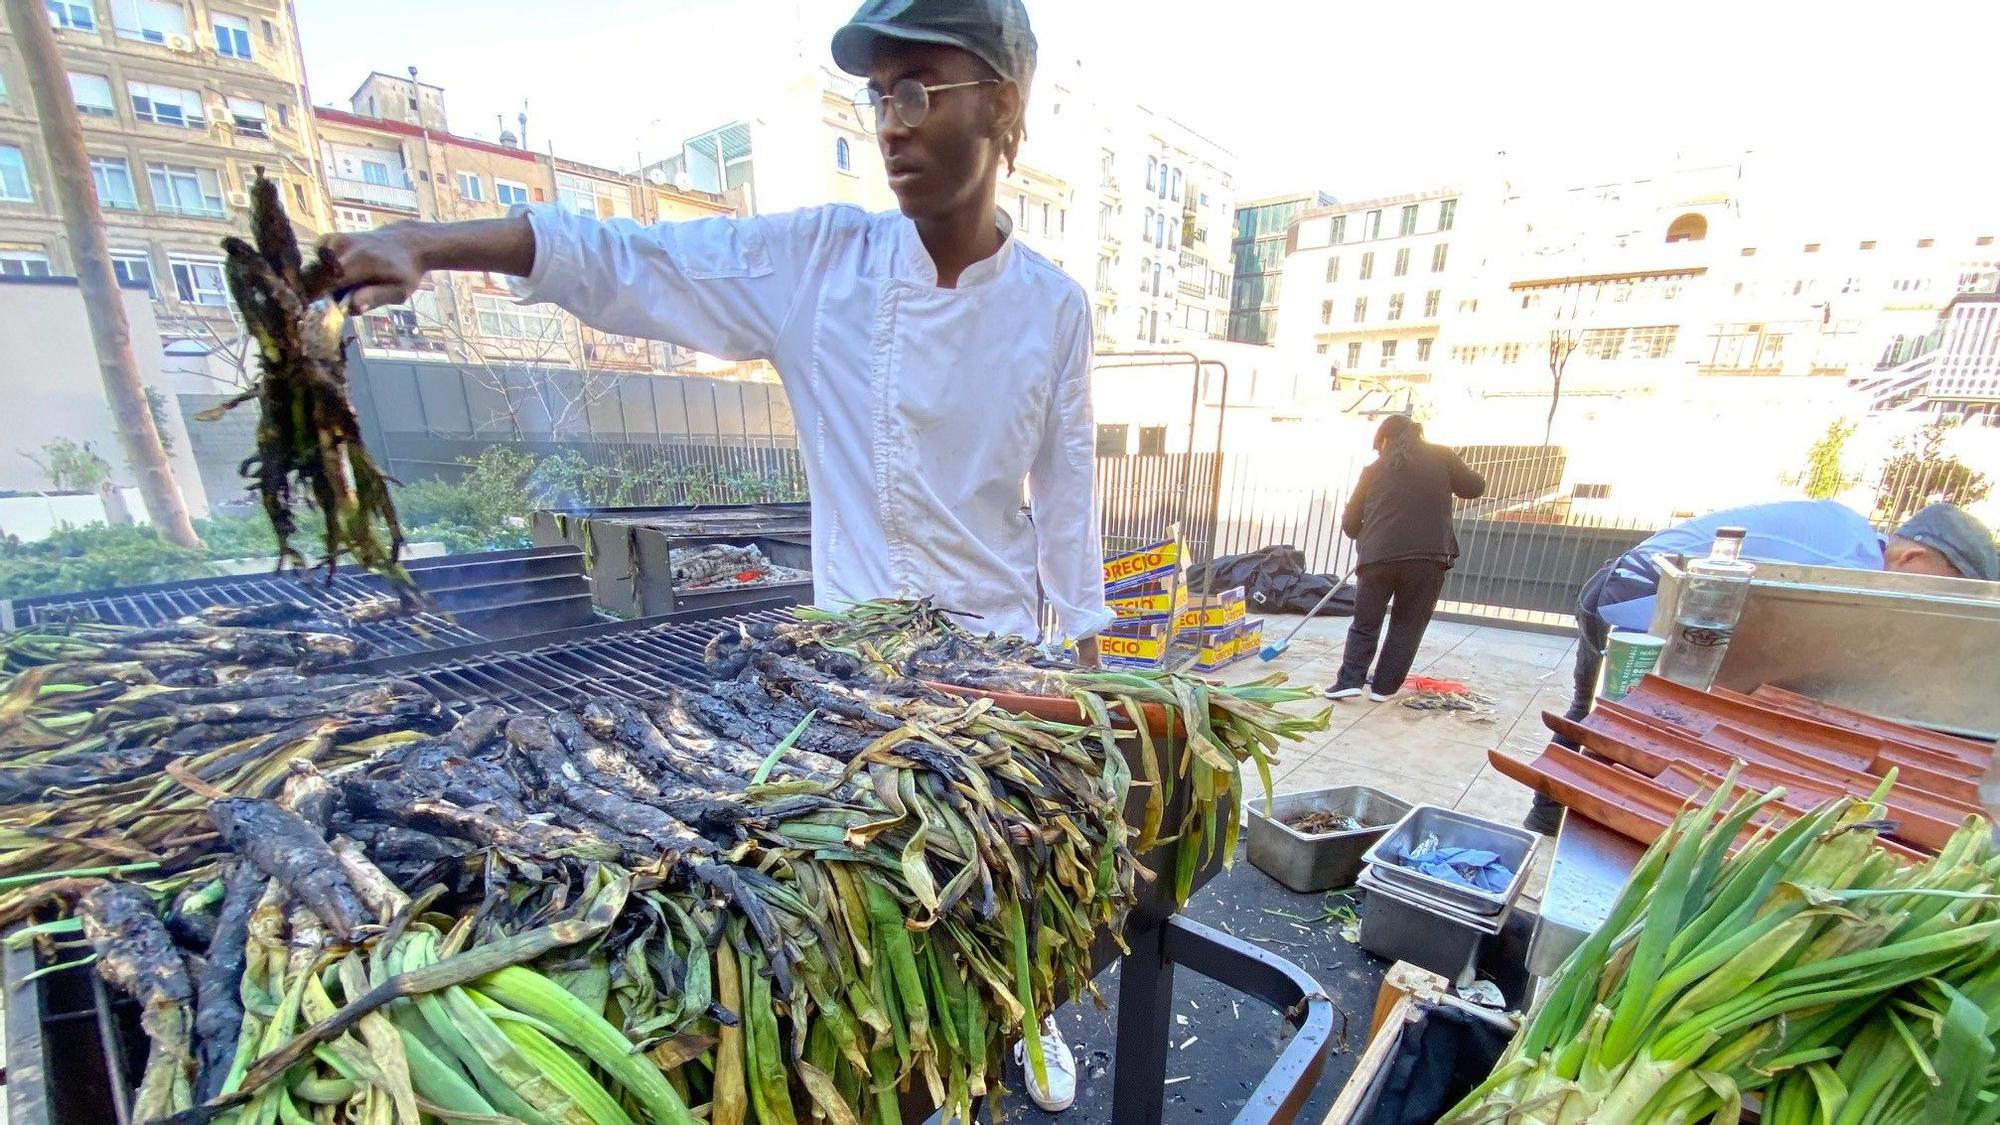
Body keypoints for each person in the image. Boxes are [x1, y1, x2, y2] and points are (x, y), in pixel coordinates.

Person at [323, 0, 1097, 1110]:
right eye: (878, 95)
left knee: (1014, 857)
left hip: (997, 657)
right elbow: (634, 259)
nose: (892, 122)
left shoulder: (1051, 306)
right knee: (895, 881)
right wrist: (432, 246)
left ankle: (1037, 1012)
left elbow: (1066, 488)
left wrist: (1079, 649)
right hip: (858, 674)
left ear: (1005, 104)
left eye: (921, 86)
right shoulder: (820, 263)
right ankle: (941, 1044)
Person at [1522, 499, 1999, 834]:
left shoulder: (1848, 533)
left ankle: (1548, 812)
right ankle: (1587, 810)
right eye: (1949, 586)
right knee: (1639, 717)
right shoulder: (1853, 563)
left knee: (1595, 708)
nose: (1940, 600)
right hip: (1639, 592)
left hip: (1620, 582)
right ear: (1913, 555)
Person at [1326, 415, 1486, 701]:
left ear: (1384, 440)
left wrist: (1369, 536)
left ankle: (1349, 681)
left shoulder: (1373, 470)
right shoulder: (1442, 455)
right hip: (1426, 559)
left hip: (1377, 558)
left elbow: (1351, 523)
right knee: (1407, 624)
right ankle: (1383, 688)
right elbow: (1474, 487)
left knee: (1365, 622)